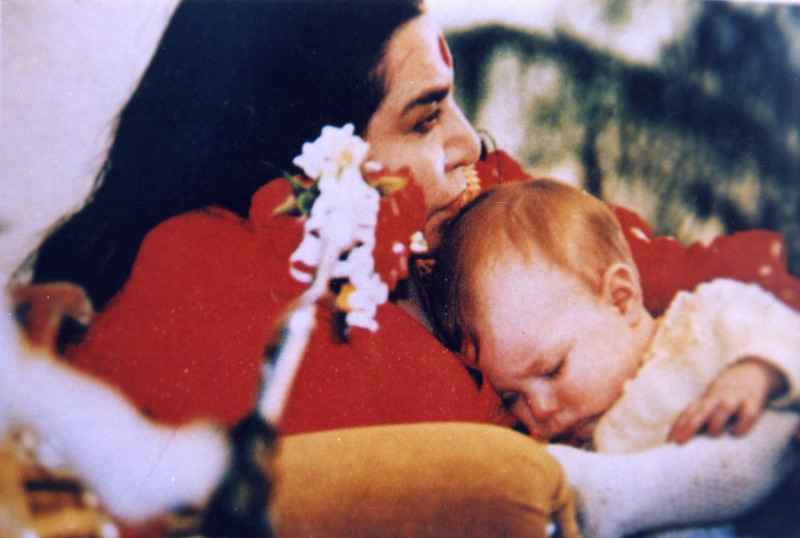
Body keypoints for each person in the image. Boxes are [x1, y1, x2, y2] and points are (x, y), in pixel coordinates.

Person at [7, 0, 800, 535]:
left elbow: (716, 285)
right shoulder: (208, 270)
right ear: (305, 155)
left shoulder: (483, 200)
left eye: (452, 104)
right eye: (426, 115)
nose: (471, 140)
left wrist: (764, 363)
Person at [426, 178, 800, 535]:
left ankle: (626, 493)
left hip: (773, 482)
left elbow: (786, 332)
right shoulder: (580, 450)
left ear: (620, 299)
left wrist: (756, 372)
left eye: (553, 370)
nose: (537, 411)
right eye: (512, 398)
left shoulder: (701, 321)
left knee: (770, 430)